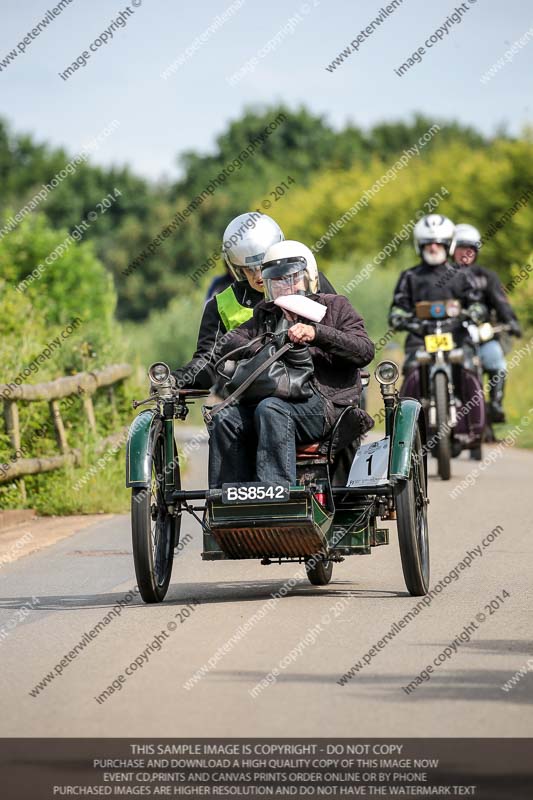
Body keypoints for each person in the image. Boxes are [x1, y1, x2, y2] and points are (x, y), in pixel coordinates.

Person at [207, 240, 374, 488]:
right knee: (226, 418)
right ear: (268, 285)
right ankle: (228, 506)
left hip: (327, 406)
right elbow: (228, 343)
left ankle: (276, 497)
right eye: (278, 280)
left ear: (310, 277)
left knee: (270, 408)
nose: (287, 286)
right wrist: (266, 343)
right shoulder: (265, 314)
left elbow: (364, 349)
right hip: (273, 405)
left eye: (293, 278)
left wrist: (317, 334)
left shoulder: (335, 306)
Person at [172, 212, 336, 389]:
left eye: (263, 266)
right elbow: (208, 362)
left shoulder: (309, 281)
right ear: (237, 269)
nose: (258, 276)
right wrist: (175, 379)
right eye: (249, 270)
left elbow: (343, 334)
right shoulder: (219, 305)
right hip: (254, 395)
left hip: (317, 387)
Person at [388, 214, 484, 373]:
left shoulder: (462, 275)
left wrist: (476, 310)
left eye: (438, 243)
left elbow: (476, 302)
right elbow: (399, 306)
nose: (433, 248)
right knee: (411, 370)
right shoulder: (409, 276)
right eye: (428, 244)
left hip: (457, 336)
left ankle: (477, 399)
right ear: (420, 246)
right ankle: (410, 399)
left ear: (448, 245)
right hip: (419, 338)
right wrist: (398, 316)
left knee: (469, 369)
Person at [450, 223, 521, 423]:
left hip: (482, 335)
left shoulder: (486, 276)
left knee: (497, 361)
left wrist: (512, 322)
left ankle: (496, 405)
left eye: (471, 248)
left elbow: (500, 302)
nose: (466, 252)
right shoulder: (442, 276)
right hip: (453, 337)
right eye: (462, 248)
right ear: (452, 250)